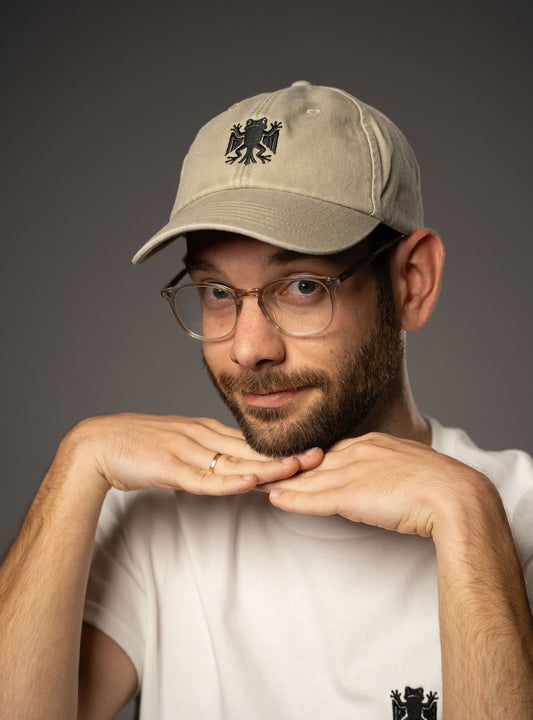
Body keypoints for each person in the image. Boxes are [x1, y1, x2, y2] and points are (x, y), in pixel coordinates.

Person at [1, 81, 532, 720]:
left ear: (411, 283)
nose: (248, 348)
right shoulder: (155, 520)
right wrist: (77, 461)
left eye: (303, 286)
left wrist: (469, 517)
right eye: (217, 292)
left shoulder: (518, 517)